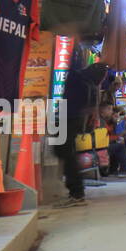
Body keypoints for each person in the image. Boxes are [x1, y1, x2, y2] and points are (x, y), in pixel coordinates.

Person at [50, 58, 106, 208]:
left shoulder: (79, 78)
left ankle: (76, 193)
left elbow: (72, 66)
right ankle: (76, 191)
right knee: (67, 154)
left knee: (65, 154)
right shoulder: (90, 85)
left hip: (67, 120)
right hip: (72, 121)